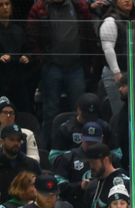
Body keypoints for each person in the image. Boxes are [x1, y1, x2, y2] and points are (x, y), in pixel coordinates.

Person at [26, 0, 93, 149]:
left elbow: (89, 33)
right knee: (50, 111)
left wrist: (89, 62)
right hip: (52, 66)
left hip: (76, 65)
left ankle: (82, 148)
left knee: (80, 109)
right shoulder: (40, 8)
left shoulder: (78, 6)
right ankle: (47, 149)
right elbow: (32, 37)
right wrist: (42, 59)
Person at [98, 0, 135, 117]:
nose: (127, 1)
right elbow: (108, 49)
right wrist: (116, 72)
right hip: (119, 74)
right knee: (121, 114)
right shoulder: (110, 21)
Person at [0, 124, 40, 200]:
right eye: (12, 139)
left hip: (25, 206)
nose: (16, 143)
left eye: (18, 140)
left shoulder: (31, 164)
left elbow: (40, 188)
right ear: (2, 141)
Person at [0, 97, 38, 162]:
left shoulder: (28, 134)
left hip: (23, 169)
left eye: (11, 113)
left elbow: (35, 159)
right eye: (5, 112)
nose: (8, 115)